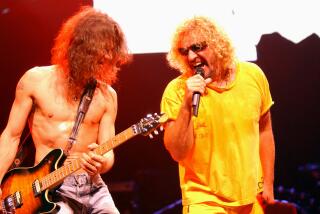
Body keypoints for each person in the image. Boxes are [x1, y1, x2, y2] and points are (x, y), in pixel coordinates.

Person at [0, 6, 131, 213]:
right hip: (48, 187)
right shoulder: (35, 80)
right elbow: (11, 137)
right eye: (100, 52)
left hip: (92, 186)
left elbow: (108, 155)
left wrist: (100, 164)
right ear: (80, 48)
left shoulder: (107, 96)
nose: (106, 58)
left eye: (110, 52)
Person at [160, 16, 275, 214]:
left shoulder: (253, 75)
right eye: (184, 51)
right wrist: (187, 105)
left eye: (197, 47)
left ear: (217, 43)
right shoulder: (177, 90)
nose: (191, 57)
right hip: (203, 199)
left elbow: (265, 131)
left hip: (249, 197)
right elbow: (177, 152)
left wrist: (268, 183)